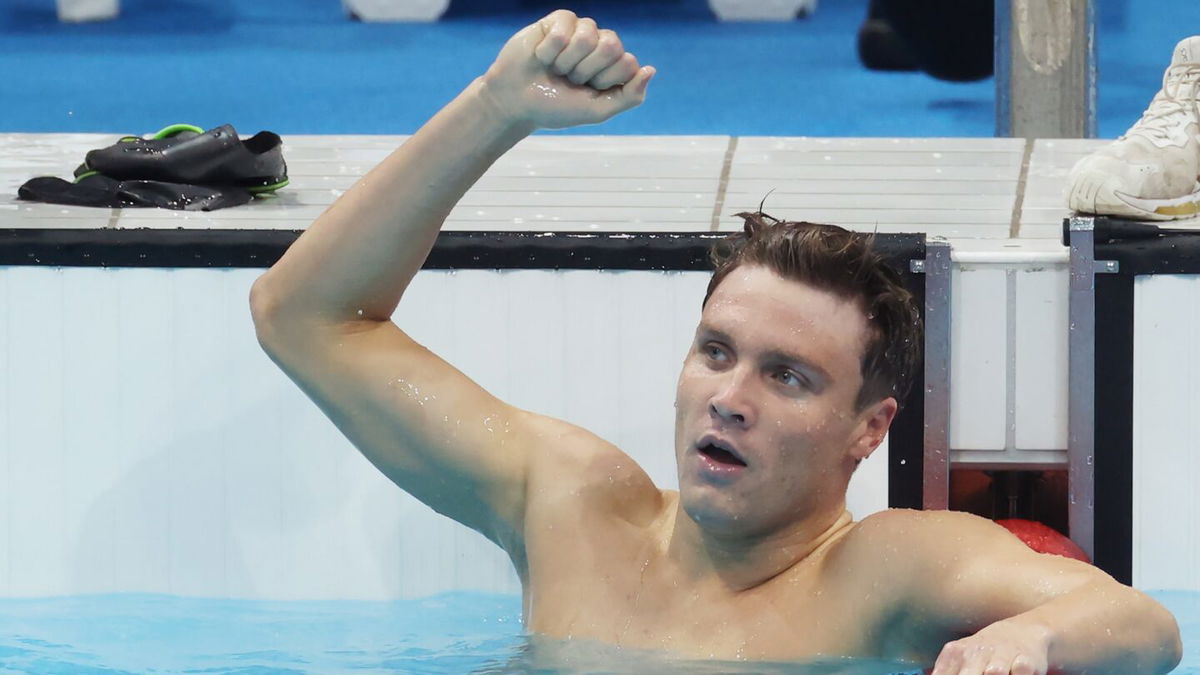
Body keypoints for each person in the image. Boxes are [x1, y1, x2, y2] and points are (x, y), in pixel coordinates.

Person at [249, 10, 1183, 673]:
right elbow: (304, 317)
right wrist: (496, 111)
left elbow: (1141, 624)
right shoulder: (571, 510)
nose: (733, 396)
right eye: (717, 351)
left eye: (789, 376)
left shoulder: (882, 571)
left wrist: (1033, 636)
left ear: (868, 428)